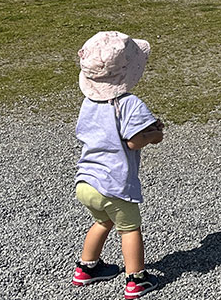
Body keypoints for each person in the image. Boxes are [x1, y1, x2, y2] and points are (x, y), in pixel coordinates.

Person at [70, 31, 164, 298]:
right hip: (114, 184)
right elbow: (134, 141)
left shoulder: (89, 102)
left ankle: (86, 268)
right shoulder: (129, 103)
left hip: (86, 181)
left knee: (102, 222)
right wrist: (154, 135)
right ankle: (136, 279)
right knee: (130, 228)